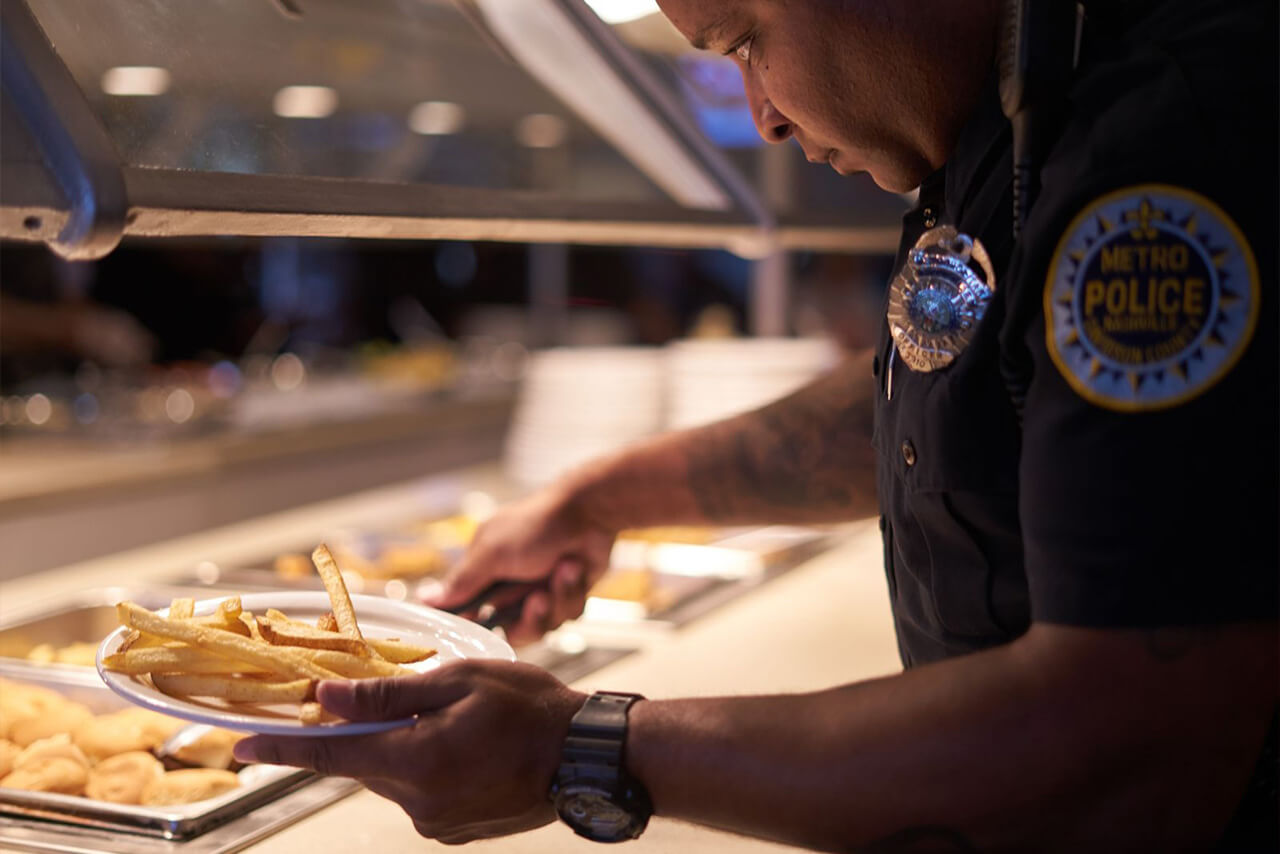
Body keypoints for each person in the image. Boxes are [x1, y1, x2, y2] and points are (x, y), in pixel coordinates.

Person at [235, 0, 1278, 849]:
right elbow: (956, 388)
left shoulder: (1161, 150)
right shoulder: (1003, 113)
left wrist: (584, 743)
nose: (762, 115)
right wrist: (598, 497)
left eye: (744, 43)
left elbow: (1130, 741)